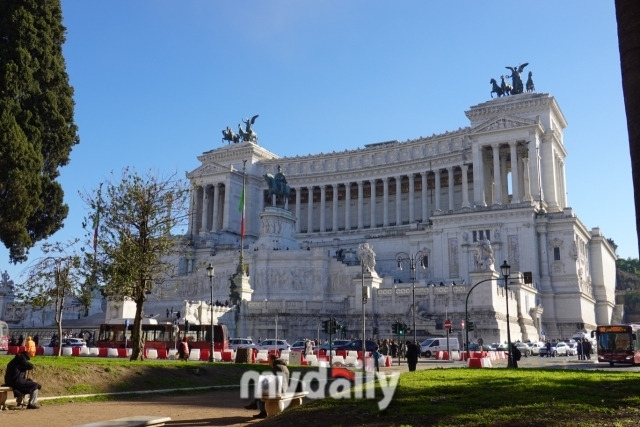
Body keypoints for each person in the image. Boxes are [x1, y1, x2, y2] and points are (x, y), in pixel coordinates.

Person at [245, 354, 291, 419]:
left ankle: (260, 410)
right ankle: (255, 405)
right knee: (261, 389)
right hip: (283, 387)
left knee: (261, 391)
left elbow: (274, 379)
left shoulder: (277, 367)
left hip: (280, 389)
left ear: (273, 360)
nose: (268, 361)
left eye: (269, 360)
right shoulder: (282, 366)